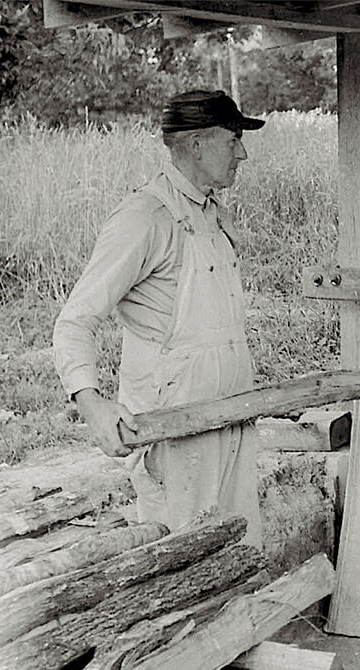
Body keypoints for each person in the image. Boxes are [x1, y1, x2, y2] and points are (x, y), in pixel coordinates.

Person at [53, 90, 266, 546]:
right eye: (234, 141)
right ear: (197, 144)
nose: (243, 153)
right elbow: (74, 321)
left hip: (233, 417)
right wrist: (91, 403)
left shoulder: (212, 216)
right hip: (176, 431)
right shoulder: (145, 217)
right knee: (184, 565)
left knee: (241, 555)